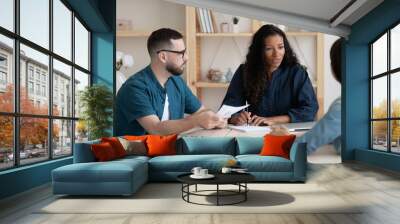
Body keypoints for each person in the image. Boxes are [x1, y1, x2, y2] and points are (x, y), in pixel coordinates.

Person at [116, 28, 225, 136]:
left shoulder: (176, 82)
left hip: (168, 150)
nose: (186, 58)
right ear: (163, 57)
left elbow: (201, 112)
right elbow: (156, 129)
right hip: (137, 152)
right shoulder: (134, 88)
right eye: (181, 53)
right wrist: (196, 120)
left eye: (185, 52)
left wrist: (216, 119)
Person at [222, 24, 319, 126]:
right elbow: (228, 108)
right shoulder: (244, 71)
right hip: (255, 131)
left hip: (287, 132)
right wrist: (235, 117)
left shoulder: (297, 73)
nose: (277, 54)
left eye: (280, 47)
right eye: (269, 49)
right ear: (259, 51)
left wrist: (273, 120)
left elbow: (310, 109)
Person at [295, 38, 344, 154]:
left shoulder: (343, 106)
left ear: (333, 68)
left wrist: (285, 140)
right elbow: (326, 133)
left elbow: (304, 146)